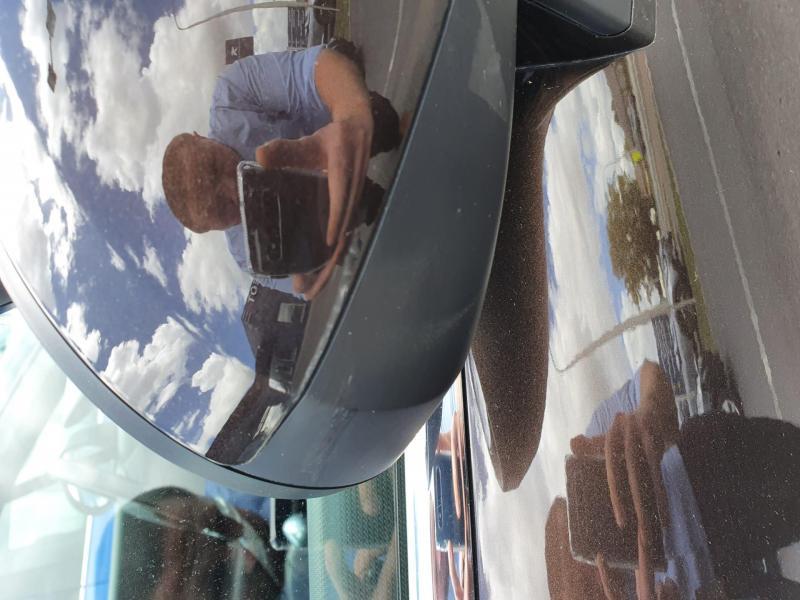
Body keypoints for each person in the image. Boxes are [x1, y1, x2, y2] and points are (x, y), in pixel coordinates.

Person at [162, 44, 401, 299]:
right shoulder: (247, 255)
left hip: (336, 126)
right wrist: (311, 270)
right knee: (376, 224)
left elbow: (310, 70)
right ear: (211, 229)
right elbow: (302, 287)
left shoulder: (232, 96)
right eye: (222, 208)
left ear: (201, 137)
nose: (234, 189)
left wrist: (351, 115)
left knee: (384, 121)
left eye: (214, 166)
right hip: (326, 209)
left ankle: (395, 132)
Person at [547, 360, 800, 599]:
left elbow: (650, 376)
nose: (598, 566)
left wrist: (648, 410)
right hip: (716, 585)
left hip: (707, 470)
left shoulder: (599, 442)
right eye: (588, 591)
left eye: (581, 541)